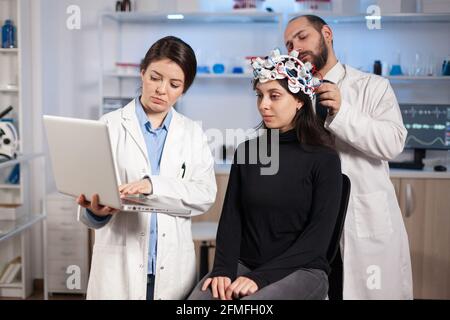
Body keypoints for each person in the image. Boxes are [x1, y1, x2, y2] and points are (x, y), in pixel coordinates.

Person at [188, 49, 342, 300]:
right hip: (246, 265)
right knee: (197, 303)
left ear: (300, 100)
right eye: (260, 96)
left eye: (274, 96)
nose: (264, 105)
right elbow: (231, 218)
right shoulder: (248, 151)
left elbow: (317, 239)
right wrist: (223, 269)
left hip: (302, 269)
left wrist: (260, 278)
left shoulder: (324, 158)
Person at [76, 36, 217, 300]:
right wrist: (96, 212)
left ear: (183, 90)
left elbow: (205, 194)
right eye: (155, 77)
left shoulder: (192, 133)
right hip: (118, 268)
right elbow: (90, 200)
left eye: (174, 84)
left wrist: (154, 185)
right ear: (142, 73)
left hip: (173, 270)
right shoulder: (109, 125)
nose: (162, 89)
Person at [284, 15, 412, 299]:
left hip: (362, 221)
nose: (295, 48)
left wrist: (343, 112)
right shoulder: (294, 97)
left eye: (302, 37)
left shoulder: (372, 87)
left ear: (326, 34)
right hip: (311, 226)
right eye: (289, 45)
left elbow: (393, 143)